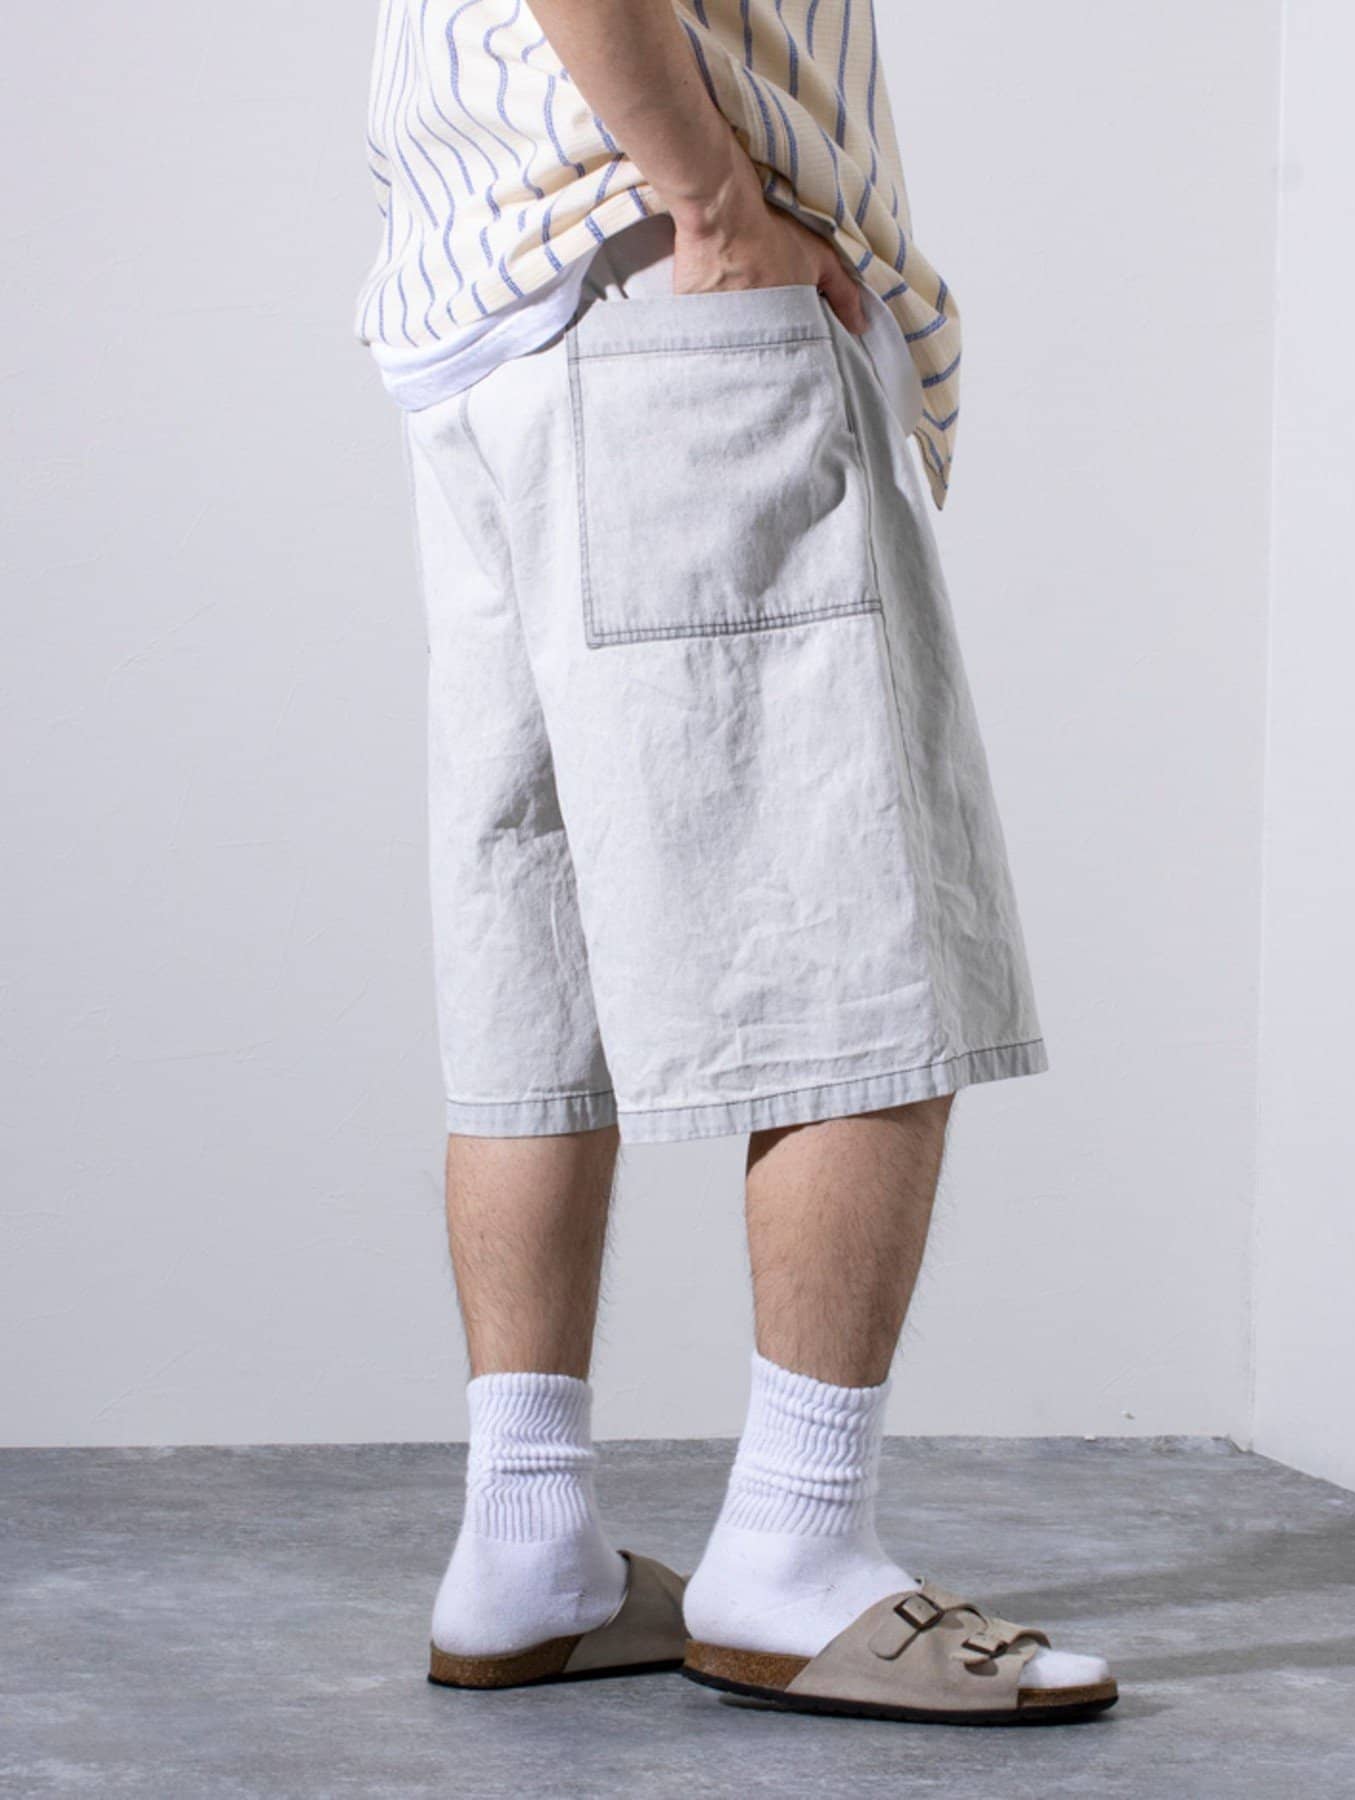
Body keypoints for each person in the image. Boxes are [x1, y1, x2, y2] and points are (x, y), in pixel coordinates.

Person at [357, 0, 1115, 1726]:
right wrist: (710, 197)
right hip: (668, 280)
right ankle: (797, 1550)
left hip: (485, 316)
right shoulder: (687, 223)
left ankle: (526, 1543)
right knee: (857, 942)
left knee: (534, 960)